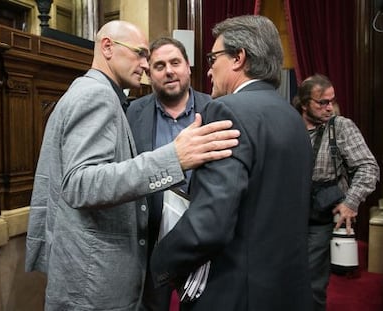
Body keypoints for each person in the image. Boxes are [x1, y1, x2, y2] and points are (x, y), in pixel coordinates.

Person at [24, 20, 240, 311]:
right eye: (140, 53)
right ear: (108, 47)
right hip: (95, 280)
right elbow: (81, 184)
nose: (144, 64)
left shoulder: (91, 91)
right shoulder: (96, 96)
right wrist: (173, 158)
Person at [150, 15, 314, 311]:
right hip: (286, 287)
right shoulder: (292, 115)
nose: (209, 69)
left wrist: (160, 261)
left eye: (213, 57)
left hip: (237, 292)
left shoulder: (227, 109)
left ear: (239, 58)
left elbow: (211, 224)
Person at [126, 37, 211, 311]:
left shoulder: (215, 109)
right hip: (152, 234)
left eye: (175, 62)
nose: (169, 71)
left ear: (188, 66)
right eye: (159, 66)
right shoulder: (133, 112)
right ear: (149, 74)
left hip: (203, 232)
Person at [292, 73, 380, 311]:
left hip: (319, 217)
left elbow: (368, 167)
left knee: (312, 281)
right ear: (303, 103)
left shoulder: (340, 127)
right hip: (288, 215)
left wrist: (351, 202)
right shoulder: (288, 124)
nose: (330, 107)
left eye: (332, 101)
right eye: (322, 102)